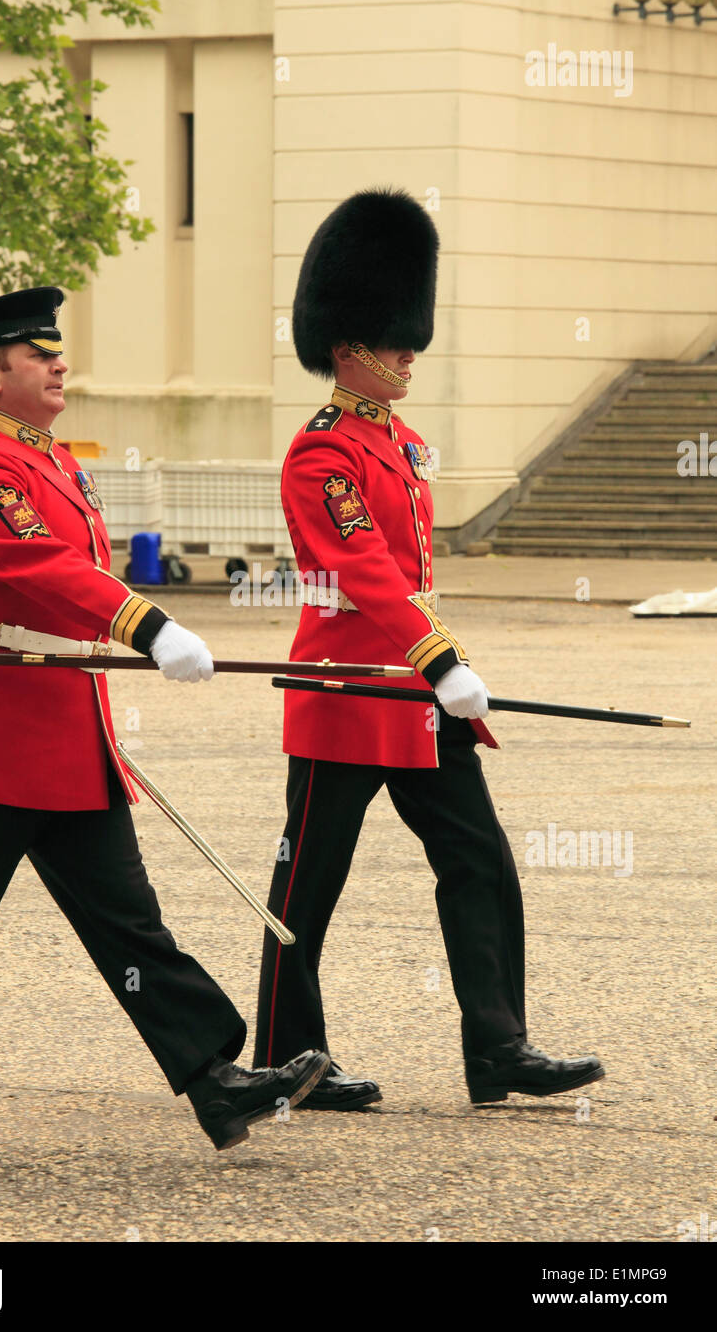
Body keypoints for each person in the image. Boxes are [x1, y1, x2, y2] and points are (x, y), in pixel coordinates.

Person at [0, 286, 328, 1167]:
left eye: (56, 350)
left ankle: (213, 1076)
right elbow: (39, 568)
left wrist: (131, 635)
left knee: (129, 923)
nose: (60, 361)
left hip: (65, 730)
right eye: (39, 353)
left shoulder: (52, 463)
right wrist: (148, 626)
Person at [253, 190, 604, 1110]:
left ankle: (499, 1047)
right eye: (393, 339)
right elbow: (363, 570)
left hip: (412, 694)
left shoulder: (400, 444)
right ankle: (292, 1058)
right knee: (308, 886)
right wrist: (441, 658)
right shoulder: (318, 453)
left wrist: (436, 666)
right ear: (346, 348)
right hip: (350, 694)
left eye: (409, 336)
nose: (410, 352)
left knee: (479, 857)